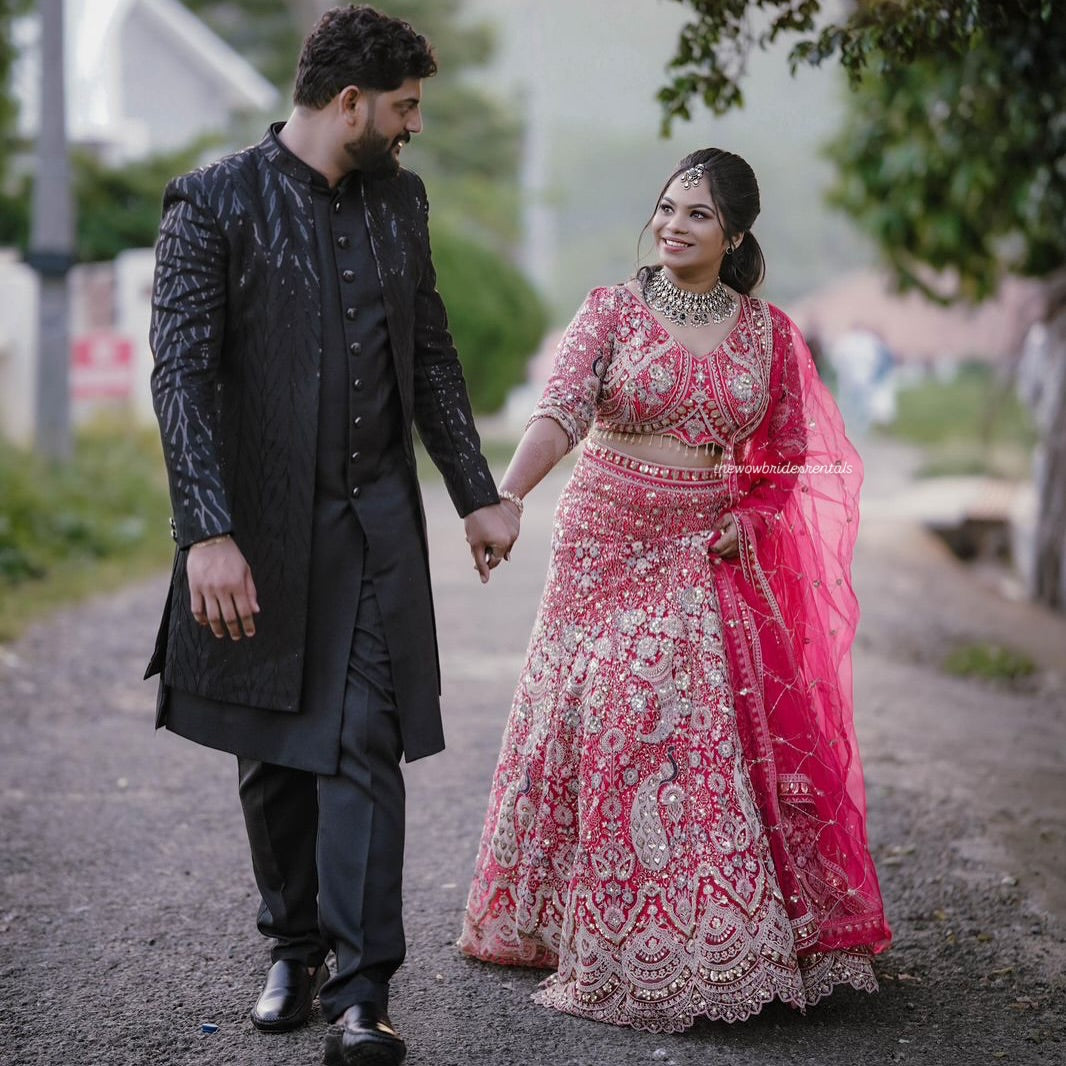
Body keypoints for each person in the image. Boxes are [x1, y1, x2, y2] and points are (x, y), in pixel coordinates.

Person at [146, 6, 518, 1065]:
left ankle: (364, 992)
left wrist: (474, 491)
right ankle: (294, 946)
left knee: (361, 743)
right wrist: (205, 533)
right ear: (349, 101)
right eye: (403, 107)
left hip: (372, 524)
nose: (413, 128)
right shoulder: (209, 204)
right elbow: (178, 378)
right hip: (255, 527)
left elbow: (432, 355)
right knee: (270, 749)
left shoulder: (401, 202)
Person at [459, 149, 892, 1032]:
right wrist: (507, 496)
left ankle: (704, 932)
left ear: (733, 233)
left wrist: (758, 517)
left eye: (695, 214)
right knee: (595, 715)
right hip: (605, 540)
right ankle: (573, 924)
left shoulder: (768, 333)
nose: (672, 225)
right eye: (665, 208)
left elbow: (787, 457)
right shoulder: (611, 311)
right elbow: (561, 413)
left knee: (673, 730)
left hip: (705, 547)